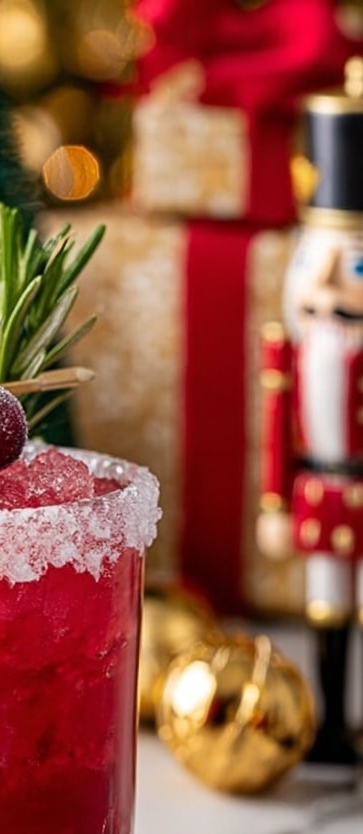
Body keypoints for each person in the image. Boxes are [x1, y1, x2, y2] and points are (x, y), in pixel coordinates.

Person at [258, 60, 363, 763]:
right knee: (325, 605)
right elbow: (276, 427)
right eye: (314, 264)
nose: (327, 287)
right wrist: (273, 500)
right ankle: (329, 722)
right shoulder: (290, 351)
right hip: (321, 491)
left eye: (353, 266)